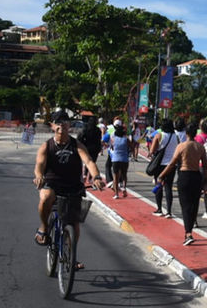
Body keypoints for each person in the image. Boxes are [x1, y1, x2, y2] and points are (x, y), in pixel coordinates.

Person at [33, 111, 105, 270]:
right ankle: (44, 227)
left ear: (69, 126)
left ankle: (71, 256)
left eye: (65, 122)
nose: (61, 126)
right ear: (52, 126)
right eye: (57, 123)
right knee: (45, 197)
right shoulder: (46, 146)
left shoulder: (76, 145)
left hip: (73, 186)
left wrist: (97, 177)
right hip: (52, 183)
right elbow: (39, 165)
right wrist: (39, 177)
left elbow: (88, 161)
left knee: (74, 223)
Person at [157, 116, 207, 246]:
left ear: (186, 133)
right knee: (194, 204)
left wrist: (161, 175)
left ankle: (188, 233)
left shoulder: (181, 146)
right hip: (196, 176)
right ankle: (191, 227)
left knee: (185, 205)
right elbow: (206, 166)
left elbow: (172, 164)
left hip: (184, 176)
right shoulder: (200, 147)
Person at [148, 119, 180, 217]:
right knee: (168, 187)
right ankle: (169, 211)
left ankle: (159, 209)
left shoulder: (159, 135)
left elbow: (152, 150)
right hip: (171, 165)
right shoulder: (176, 136)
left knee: (159, 186)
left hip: (160, 164)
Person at [105, 122, 134, 199]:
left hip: (115, 159)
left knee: (115, 177)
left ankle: (116, 194)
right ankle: (124, 187)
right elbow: (132, 147)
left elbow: (111, 148)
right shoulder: (126, 139)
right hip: (124, 159)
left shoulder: (113, 139)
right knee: (124, 175)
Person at [78, 117, 103, 187]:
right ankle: (91, 177)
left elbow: (80, 138)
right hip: (95, 148)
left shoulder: (86, 129)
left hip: (87, 147)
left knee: (87, 161)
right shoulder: (97, 130)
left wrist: (82, 145)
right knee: (93, 161)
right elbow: (99, 139)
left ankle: (85, 174)